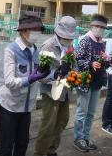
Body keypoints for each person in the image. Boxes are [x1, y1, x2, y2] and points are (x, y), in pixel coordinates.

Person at [0, 12, 50, 156]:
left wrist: (52, 75)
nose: (37, 33)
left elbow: (38, 75)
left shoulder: (35, 50)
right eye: (35, 29)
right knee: (6, 146)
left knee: (22, 142)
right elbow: (9, 81)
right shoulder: (11, 50)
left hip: (26, 107)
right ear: (24, 30)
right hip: (9, 105)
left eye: (39, 29)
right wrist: (29, 79)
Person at [34, 16, 78, 156]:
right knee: (48, 124)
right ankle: (39, 153)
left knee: (62, 121)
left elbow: (74, 66)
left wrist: (75, 76)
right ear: (59, 34)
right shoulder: (48, 46)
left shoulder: (69, 46)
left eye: (70, 37)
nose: (69, 39)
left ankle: (51, 149)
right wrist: (56, 74)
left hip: (65, 90)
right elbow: (40, 75)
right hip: (50, 91)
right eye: (67, 36)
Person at [72, 14, 108, 152]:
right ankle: (78, 138)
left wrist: (106, 59)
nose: (99, 29)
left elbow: (104, 63)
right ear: (92, 26)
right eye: (97, 26)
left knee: (91, 113)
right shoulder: (85, 41)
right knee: (81, 112)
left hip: (97, 81)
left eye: (102, 27)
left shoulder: (102, 42)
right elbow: (78, 60)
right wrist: (90, 63)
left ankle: (86, 137)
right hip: (85, 82)